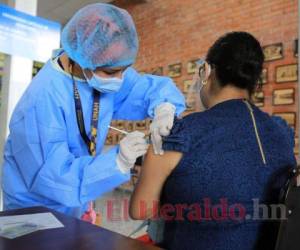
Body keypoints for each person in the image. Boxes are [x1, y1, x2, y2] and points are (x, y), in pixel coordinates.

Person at [1, 3, 185, 218]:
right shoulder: (42, 100)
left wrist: (165, 107)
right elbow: (51, 177)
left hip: (78, 200)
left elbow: (143, 89)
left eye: (123, 71)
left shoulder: (96, 75)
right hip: (35, 209)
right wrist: (116, 162)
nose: (119, 80)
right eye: (111, 72)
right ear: (81, 59)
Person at [130, 32, 297, 250]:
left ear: (206, 71)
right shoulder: (280, 131)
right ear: (255, 81)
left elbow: (140, 210)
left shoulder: (181, 133)